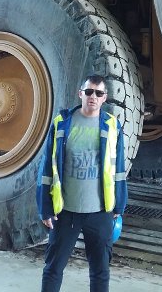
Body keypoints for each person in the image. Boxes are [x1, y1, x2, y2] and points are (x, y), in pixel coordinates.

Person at [36, 74, 127, 292]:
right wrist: (45, 208)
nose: (93, 96)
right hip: (66, 212)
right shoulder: (61, 123)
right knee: (53, 269)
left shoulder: (112, 126)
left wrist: (119, 205)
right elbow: (47, 167)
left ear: (104, 97)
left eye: (98, 93)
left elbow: (119, 170)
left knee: (100, 272)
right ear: (80, 94)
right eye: (89, 92)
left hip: (100, 213)